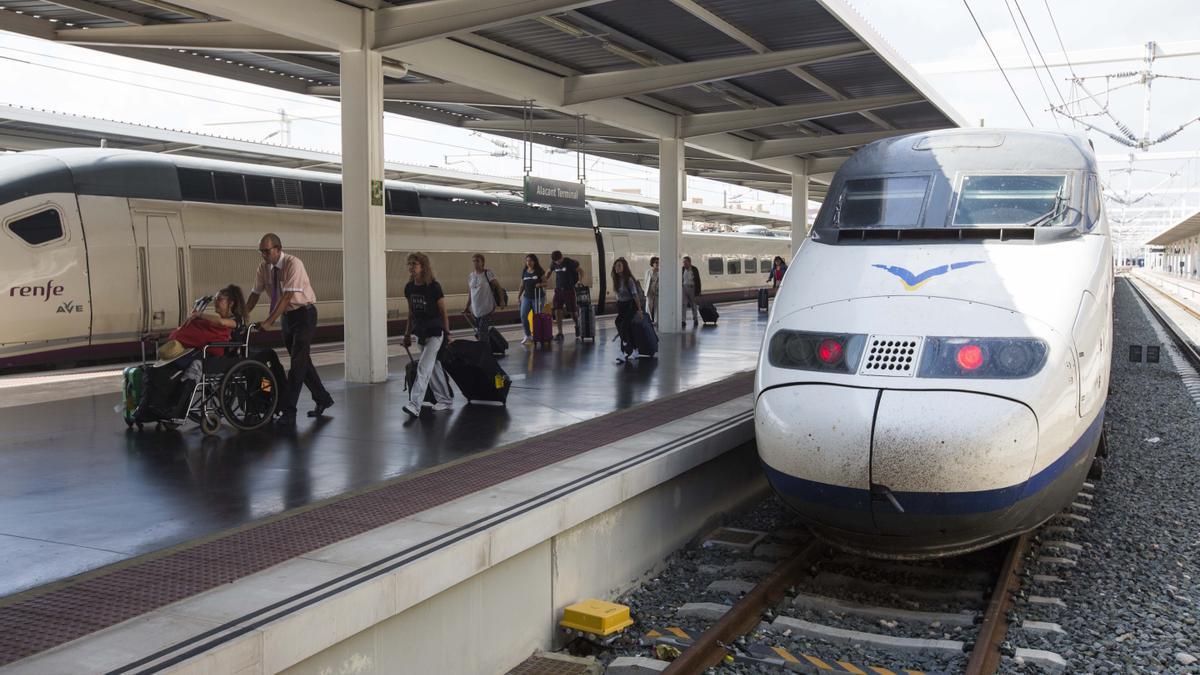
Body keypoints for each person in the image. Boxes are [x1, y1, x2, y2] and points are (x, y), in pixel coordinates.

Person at [245, 233, 334, 426]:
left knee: (297, 364)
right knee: (303, 362)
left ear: (278, 248)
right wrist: (243, 315)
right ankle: (323, 398)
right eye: (261, 251)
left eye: (266, 251)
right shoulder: (263, 268)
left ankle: (289, 410)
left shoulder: (294, 264)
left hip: (304, 315)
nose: (263, 255)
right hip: (287, 318)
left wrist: (269, 322)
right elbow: (255, 294)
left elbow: (286, 298)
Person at [402, 252, 453, 418]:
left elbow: (443, 312)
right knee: (434, 367)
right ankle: (444, 399)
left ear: (423, 267)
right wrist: (407, 334)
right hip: (420, 333)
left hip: (435, 333)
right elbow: (410, 313)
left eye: (414, 264)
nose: (411, 267)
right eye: (409, 264)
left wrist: (447, 334)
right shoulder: (409, 288)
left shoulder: (433, 287)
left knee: (423, 368)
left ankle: (414, 405)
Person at [612, 257, 644, 364]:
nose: (617, 267)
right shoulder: (616, 280)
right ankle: (635, 350)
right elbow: (618, 295)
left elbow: (635, 296)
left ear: (624, 267)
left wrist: (640, 310)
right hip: (622, 305)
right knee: (627, 329)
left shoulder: (629, 280)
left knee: (622, 325)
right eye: (616, 266)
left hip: (630, 305)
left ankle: (624, 351)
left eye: (619, 265)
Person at [464, 253, 502, 341]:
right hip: (475, 310)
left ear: (482, 262)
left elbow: (498, 287)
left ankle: (485, 352)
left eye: (477, 261)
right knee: (481, 332)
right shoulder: (471, 276)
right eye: (473, 261)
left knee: (482, 332)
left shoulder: (487, 273)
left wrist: (502, 300)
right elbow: (471, 293)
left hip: (487, 308)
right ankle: (486, 349)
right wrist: (467, 306)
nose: (475, 263)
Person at [545, 250, 580, 342]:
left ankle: (577, 325)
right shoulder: (554, 263)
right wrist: (544, 279)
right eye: (555, 261)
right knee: (557, 310)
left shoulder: (569, 262)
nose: (557, 263)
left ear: (562, 257)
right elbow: (549, 271)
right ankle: (560, 333)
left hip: (569, 290)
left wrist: (579, 281)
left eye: (558, 261)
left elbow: (580, 270)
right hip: (559, 290)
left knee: (573, 312)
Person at [517, 253, 545, 346]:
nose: (528, 262)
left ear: (534, 261)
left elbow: (545, 283)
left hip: (538, 297)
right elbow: (522, 285)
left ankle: (538, 335)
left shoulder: (539, 271)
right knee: (523, 315)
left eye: (530, 260)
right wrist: (518, 296)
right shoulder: (524, 271)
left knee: (537, 317)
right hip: (527, 297)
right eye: (527, 260)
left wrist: (540, 284)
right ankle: (527, 335)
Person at [681, 256, 702, 328]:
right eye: (683, 262)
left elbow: (698, 280)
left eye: (685, 262)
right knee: (684, 304)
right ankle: (683, 320)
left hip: (692, 288)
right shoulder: (682, 269)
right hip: (684, 288)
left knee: (693, 304)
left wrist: (698, 291)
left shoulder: (694, 269)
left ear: (689, 262)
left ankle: (695, 319)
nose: (684, 264)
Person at [643, 257, 660, 326]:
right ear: (652, 263)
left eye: (658, 262)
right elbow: (645, 282)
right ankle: (648, 319)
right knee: (648, 305)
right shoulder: (648, 272)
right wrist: (645, 291)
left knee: (657, 306)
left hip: (657, 290)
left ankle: (656, 321)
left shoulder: (660, 272)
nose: (657, 264)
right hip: (649, 290)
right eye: (656, 262)